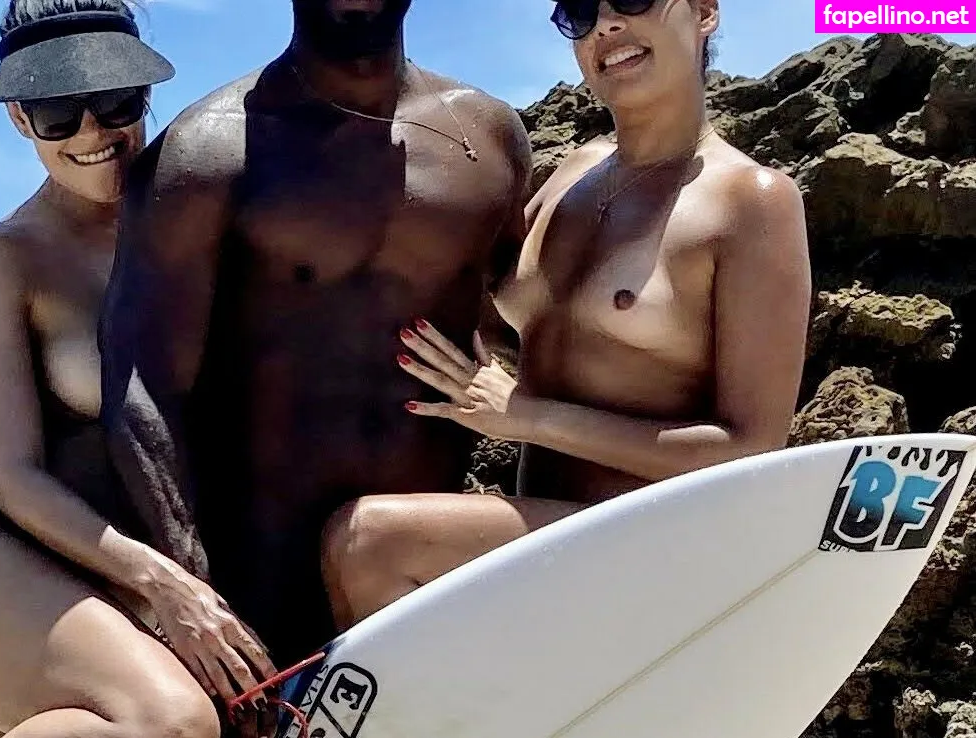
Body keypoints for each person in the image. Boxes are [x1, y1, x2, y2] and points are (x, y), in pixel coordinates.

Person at [323, 0, 813, 626]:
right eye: (579, 11)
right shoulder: (568, 176)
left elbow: (749, 446)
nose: (606, 25)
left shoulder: (752, 200)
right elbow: (507, 326)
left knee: (370, 541)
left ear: (704, 12)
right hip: (550, 539)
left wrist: (527, 417)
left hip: (661, 549)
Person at [98, 0, 534, 677]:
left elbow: (525, 323)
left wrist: (524, 400)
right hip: (262, 584)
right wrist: (199, 594)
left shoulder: (488, 137)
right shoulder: (208, 149)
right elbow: (141, 386)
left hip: (419, 575)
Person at [0, 3, 273, 738]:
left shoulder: (204, 222)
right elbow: (15, 476)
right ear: (19, 121)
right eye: (57, 113)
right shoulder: (3, 255)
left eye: (115, 101)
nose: (93, 132)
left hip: (112, 559)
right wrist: (163, 586)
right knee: (171, 723)